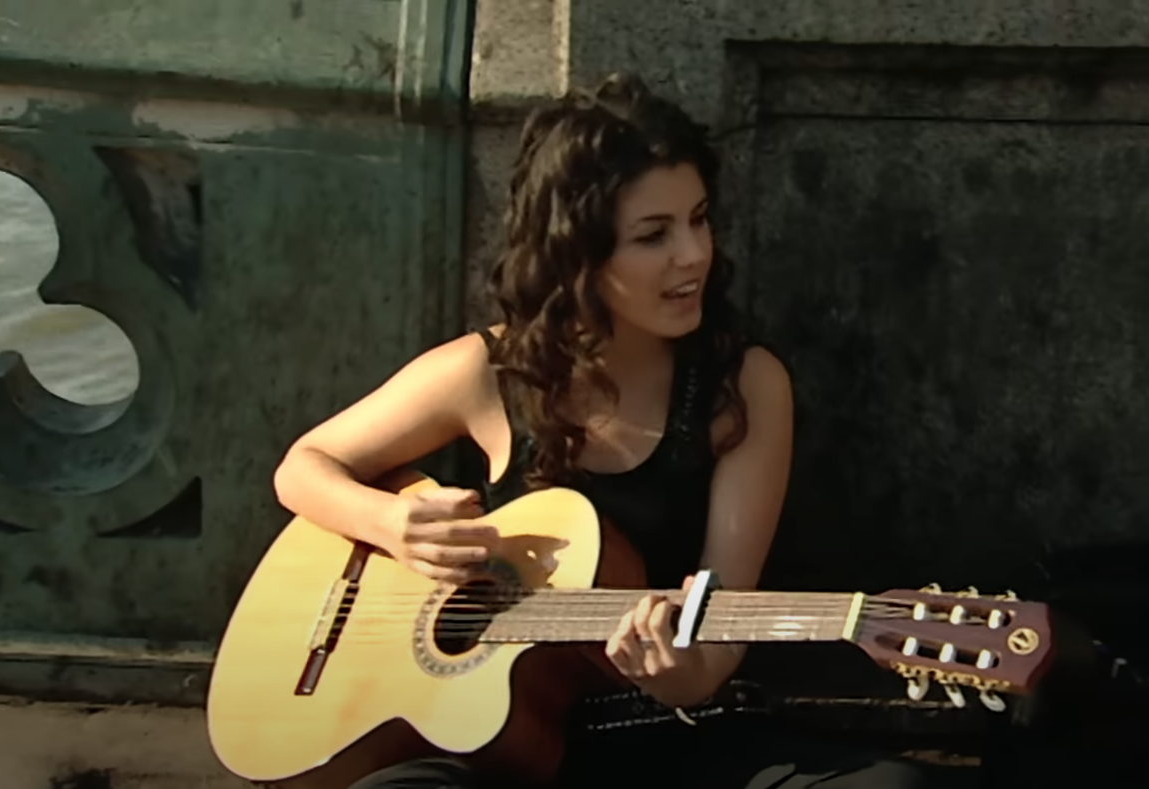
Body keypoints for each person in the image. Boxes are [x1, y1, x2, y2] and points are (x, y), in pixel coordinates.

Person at [270, 73, 976, 789]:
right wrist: (392, 524)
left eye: (699, 219)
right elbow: (305, 465)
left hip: (664, 737)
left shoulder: (742, 387)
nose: (693, 254)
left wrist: (683, 675)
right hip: (490, 746)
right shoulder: (488, 371)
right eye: (653, 235)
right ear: (574, 252)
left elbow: (720, 627)